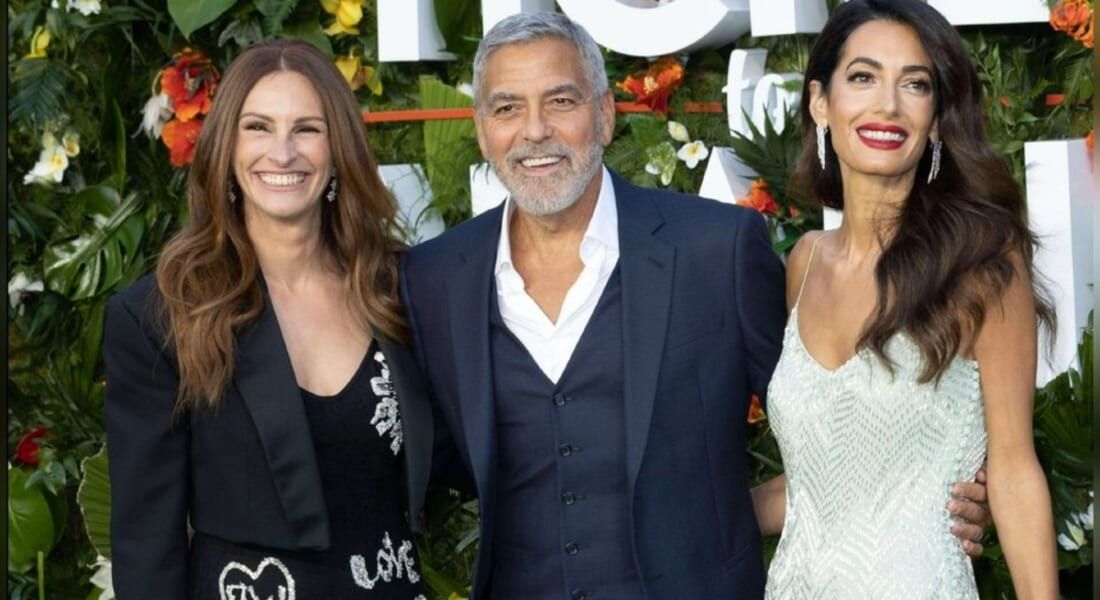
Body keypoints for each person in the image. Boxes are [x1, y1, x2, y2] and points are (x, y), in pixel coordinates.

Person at [400, 12, 990, 600]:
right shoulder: (435, 281)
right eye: (506, 108)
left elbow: (829, 419)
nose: (534, 130)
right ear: (481, 129)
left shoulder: (718, 250)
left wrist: (934, 495)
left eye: (561, 101)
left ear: (605, 116)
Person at [103, 40, 432, 599]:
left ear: (338, 148)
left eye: (307, 128)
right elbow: (146, 545)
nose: (282, 152)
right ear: (227, 146)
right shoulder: (160, 316)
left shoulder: (401, 289)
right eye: (258, 127)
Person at [760, 1, 1059, 598]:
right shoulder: (805, 264)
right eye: (863, 77)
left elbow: (1014, 471)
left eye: (915, 84)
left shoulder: (981, 266)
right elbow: (823, 484)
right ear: (821, 102)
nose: (887, 105)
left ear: (939, 118)